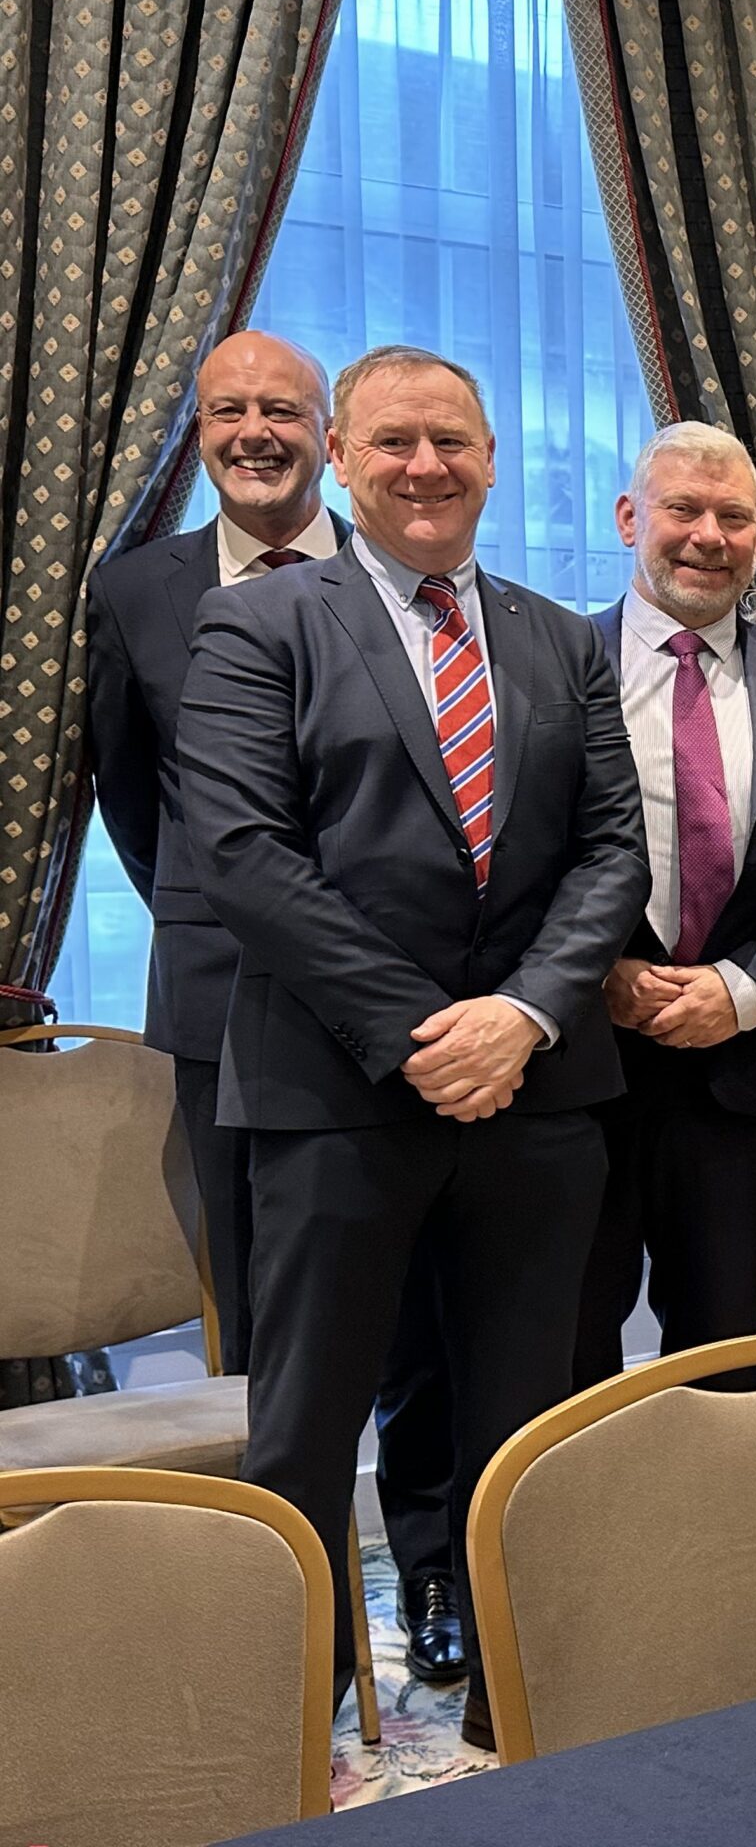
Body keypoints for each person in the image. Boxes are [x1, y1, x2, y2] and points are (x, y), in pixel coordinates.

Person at [178, 343, 648, 1747]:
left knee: (528, 1414)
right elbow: (246, 857)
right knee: (308, 1431)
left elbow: (614, 855)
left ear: (495, 457)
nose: (427, 466)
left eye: (453, 440)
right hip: (334, 1097)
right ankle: (290, 1714)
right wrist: (416, 1033)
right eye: (394, 443)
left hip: (542, 1095)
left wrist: (520, 1016)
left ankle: (519, 1694)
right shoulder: (258, 627)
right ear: (342, 456)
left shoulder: (562, 637)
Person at [87, 330, 468, 1689]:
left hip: (417, 1024)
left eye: (281, 411)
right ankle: (269, 1618)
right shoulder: (136, 592)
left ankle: (431, 1578)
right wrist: (226, 916)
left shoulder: (409, 581)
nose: (254, 431)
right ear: (197, 430)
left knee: (423, 1319)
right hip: (229, 1016)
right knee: (272, 1341)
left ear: (327, 434)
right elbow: (145, 810)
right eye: (226, 410)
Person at [571, 423, 756, 1392]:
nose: (707, 535)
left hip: (745, 1076)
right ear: (630, 518)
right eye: (683, 509)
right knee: (566, 1342)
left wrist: (746, 991)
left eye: (733, 516)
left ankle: (711, 1543)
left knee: (727, 1350)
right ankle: (570, 1544)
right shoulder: (552, 659)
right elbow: (520, 854)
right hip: (583, 1073)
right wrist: (594, 973)